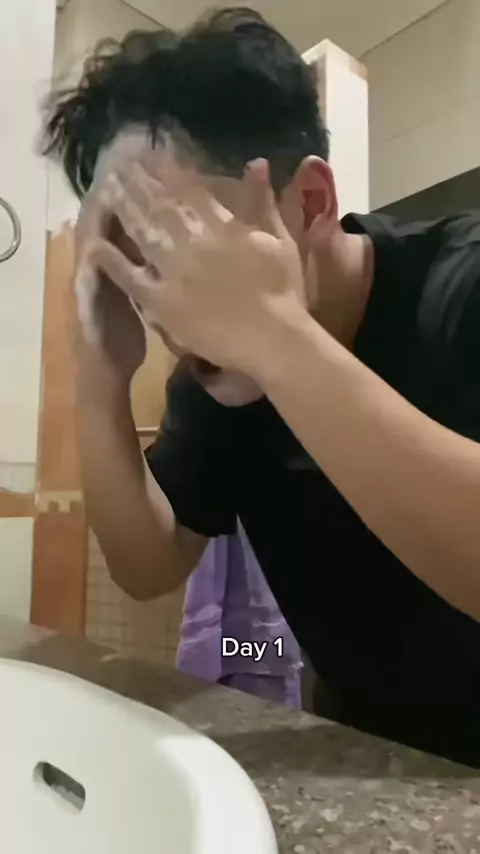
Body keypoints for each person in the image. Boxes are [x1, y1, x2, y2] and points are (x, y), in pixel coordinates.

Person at [44, 8, 480, 766]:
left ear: (309, 203)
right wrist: (102, 372)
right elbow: (146, 566)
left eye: (187, 242)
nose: (167, 301)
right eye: (137, 261)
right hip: (365, 759)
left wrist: (275, 337)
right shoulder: (217, 384)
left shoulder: (461, 286)